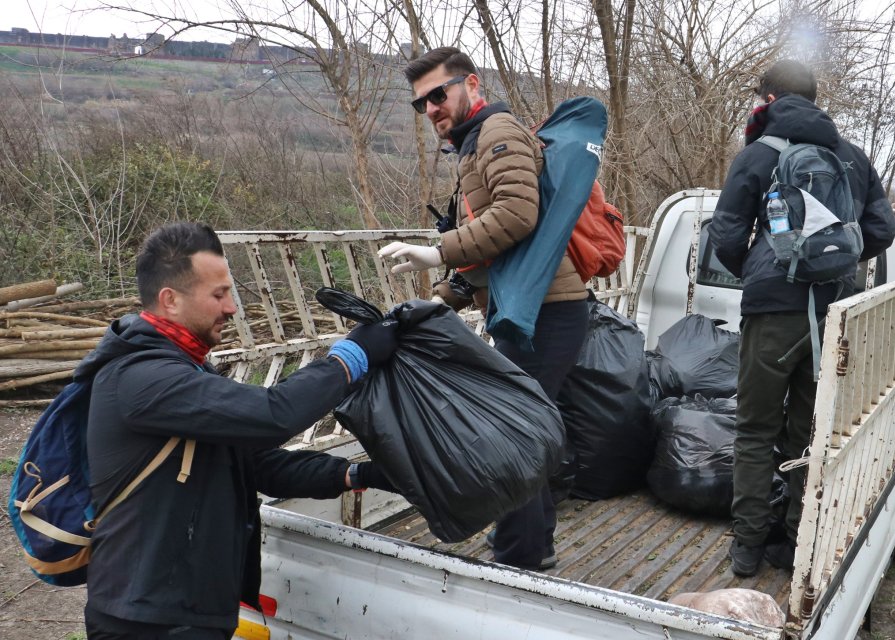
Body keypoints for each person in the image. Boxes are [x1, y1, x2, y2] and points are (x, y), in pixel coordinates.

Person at [83, 222, 401, 639]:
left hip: (190, 609)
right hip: (147, 618)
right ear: (170, 300)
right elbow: (272, 415)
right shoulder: (141, 379)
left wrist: (358, 475)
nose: (232, 307)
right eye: (219, 294)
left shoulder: (187, 370)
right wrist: (350, 358)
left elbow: (256, 464)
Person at [378, 46, 588, 572]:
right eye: (420, 103)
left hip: (546, 312)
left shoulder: (497, 134)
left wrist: (436, 251)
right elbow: (494, 250)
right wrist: (441, 298)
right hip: (529, 308)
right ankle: (527, 548)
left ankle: (521, 557)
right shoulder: (473, 145)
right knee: (526, 430)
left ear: (471, 85)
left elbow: (516, 216)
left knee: (517, 433)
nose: (430, 108)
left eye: (437, 94)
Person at [708, 59, 895, 577]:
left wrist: (761, 267)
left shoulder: (758, 154)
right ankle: (795, 542)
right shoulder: (853, 158)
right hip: (833, 314)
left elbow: (724, 235)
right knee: (809, 432)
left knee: (754, 429)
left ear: (768, 99)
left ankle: (746, 547)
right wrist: (836, 262)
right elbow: (882, 229)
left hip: (772, 313)